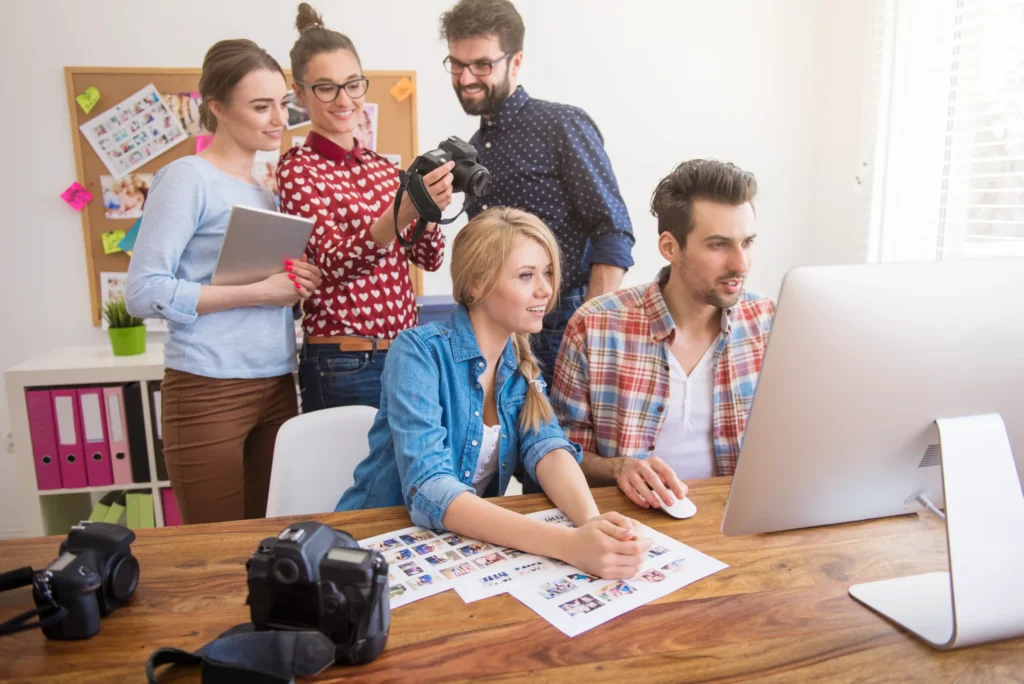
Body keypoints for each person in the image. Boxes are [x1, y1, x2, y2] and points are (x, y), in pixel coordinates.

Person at [336, 208, 650, 579]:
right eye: (526, 275)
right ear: (476, 285)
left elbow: (547, 447)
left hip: (452, 551)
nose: (545, 289)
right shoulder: (417, 352)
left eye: (548, 273)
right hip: (371, 544)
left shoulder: (520, 364)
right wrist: (568, 545)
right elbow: (430, 486)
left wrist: (592, 524)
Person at [125, 39, 323, 524]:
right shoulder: (187, 178)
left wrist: (295, 281)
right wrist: (260, 292)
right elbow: (143, 292)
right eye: (261, 106)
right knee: (216, 544)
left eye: (283, 103)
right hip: (208, 386)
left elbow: (266, 286)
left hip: (277, 382)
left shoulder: (267, 191)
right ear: (217, 108)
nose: (279, 119)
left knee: (268, 537)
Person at [550, 160, 775, 510]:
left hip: (738, 521)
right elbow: (559, 452)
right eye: (719, 245)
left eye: (747, 242)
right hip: (632, 526)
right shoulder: (595, 326)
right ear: (669, 247)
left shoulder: (768, 323)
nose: (740, 264)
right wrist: (619, 467)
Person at [439, 0, 635, 391]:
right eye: (457, 65)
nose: (466, 78)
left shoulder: (560, 124)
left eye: (482, 64)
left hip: (562, 322)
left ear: (516, 61)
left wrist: (585, 327)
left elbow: (614, 230)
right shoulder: (473, 148)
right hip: (497, 330)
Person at [279, 2, 456, 411]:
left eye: (353, 84)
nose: (344, 99)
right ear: (300, 93)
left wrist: (430, 210)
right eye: (326, 87)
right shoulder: (298, 168)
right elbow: (335, 265)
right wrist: (402, 213)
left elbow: (428, 259)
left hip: (405, 354)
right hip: (344, 360)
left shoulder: (382, 167)